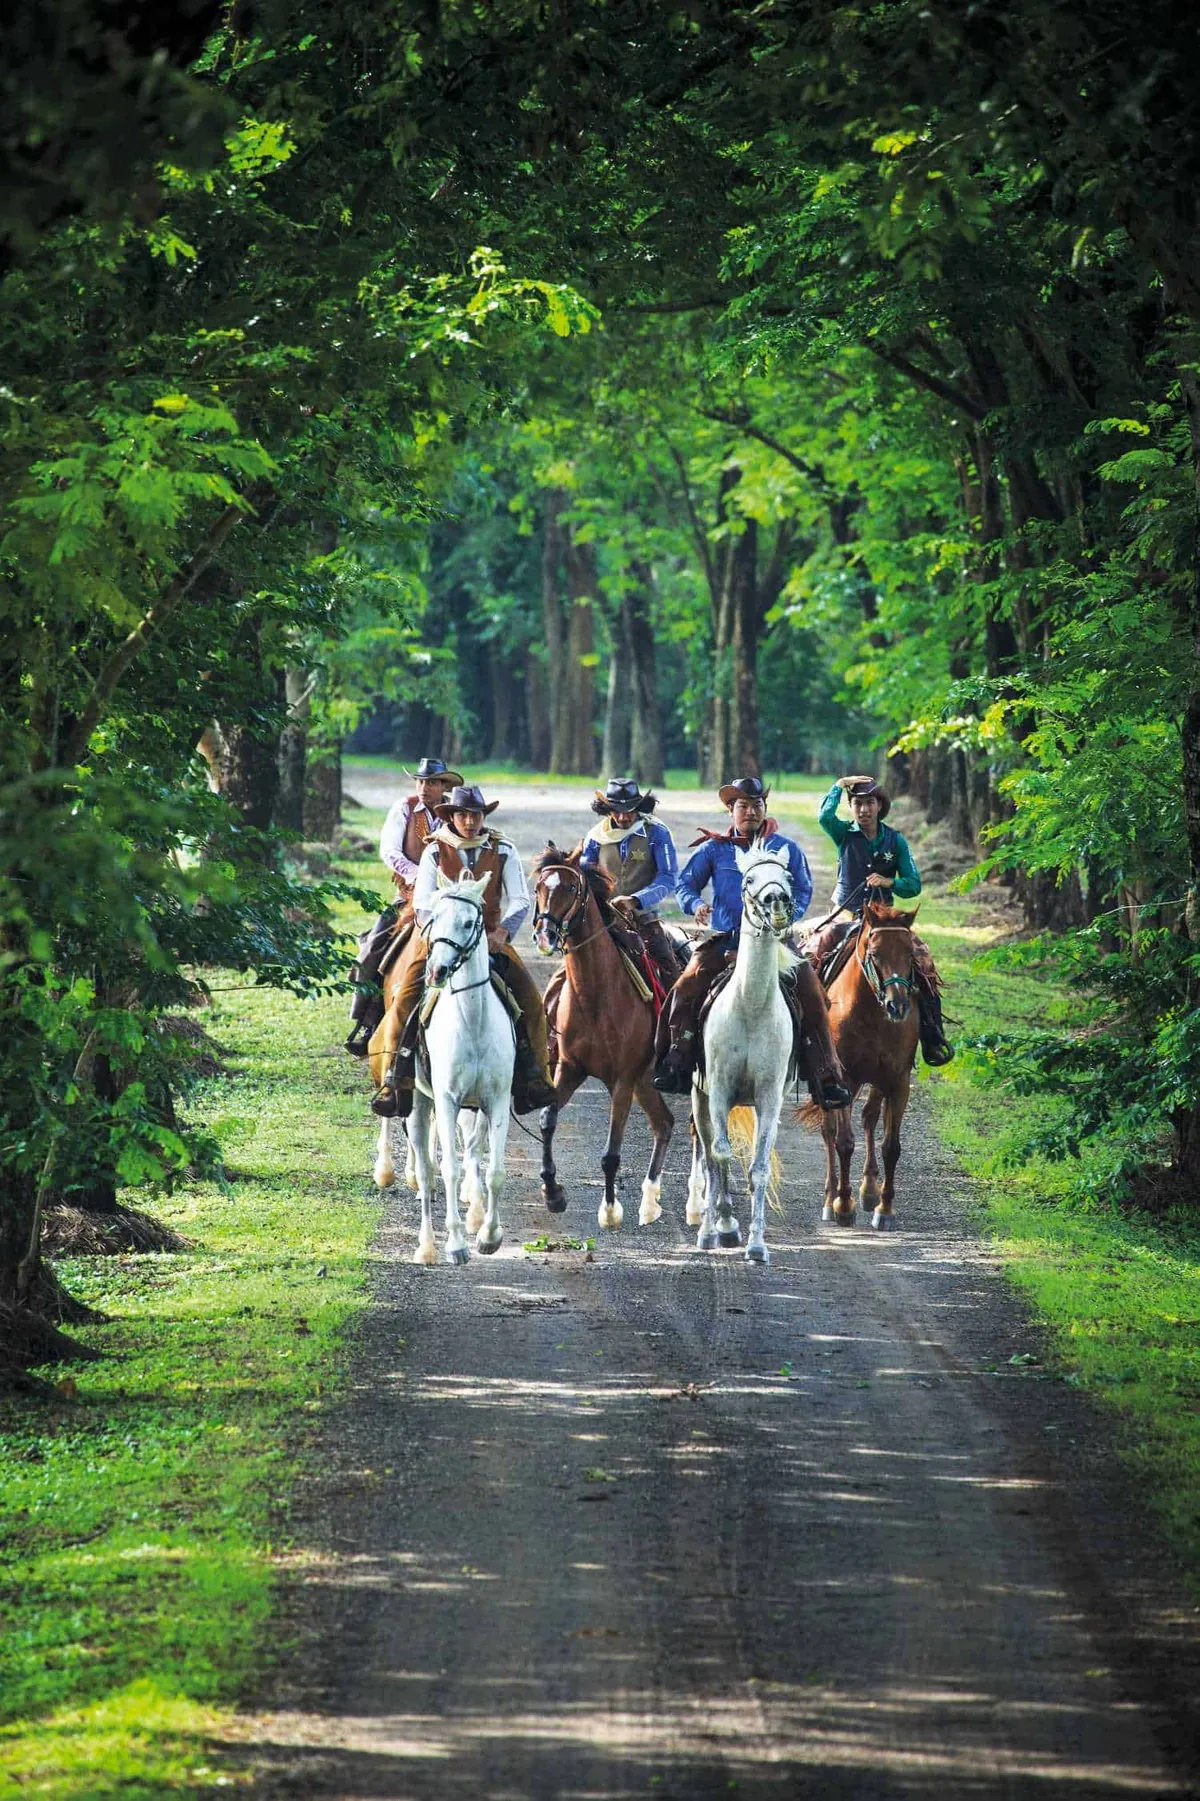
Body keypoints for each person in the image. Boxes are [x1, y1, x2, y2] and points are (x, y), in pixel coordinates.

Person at [652, 775, 851, 1106]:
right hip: (726, 941)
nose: (750, 812)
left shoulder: (786, 848)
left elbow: (803, 889)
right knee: (684, 989)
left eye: (756, 805)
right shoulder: (714, 849)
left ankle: (826, 1073)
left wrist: (788, 914)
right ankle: (675, 1059)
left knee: (814, 995)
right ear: (731, 811)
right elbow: (686, 884)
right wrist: (696, 904)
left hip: (776, 943)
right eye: (743, 806)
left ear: (764, 808)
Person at [369, 784, 556, 1117]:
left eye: (475, 815)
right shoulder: (435, 851)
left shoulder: (503, 850)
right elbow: (423, 902)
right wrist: (436, 934)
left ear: (483, 816)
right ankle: (392, 1077)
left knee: (531, 1000)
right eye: (463, 815)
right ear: (452, 816)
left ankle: (536, 1076)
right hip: (442, 941)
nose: (469, 821)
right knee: (403, 1001)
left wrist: (503, 931)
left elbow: (521, 899)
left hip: (490, 940)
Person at [806, 775, 953, 1067]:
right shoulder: (843, 833)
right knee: (810, 957)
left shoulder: (895, 840)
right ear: (851, 807)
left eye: (869, 803)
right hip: (846, 916)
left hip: (885, 922)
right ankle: (806, 1033)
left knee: (923, 962)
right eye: (857, 803)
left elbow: (913, 885)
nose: (863, 810)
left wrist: (888, 882)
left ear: (880, 806)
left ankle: (933, 1036)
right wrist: (839, 784)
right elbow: (824, 815)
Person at [344, 756, 461, 1056]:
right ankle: (368, 1022)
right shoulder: (404, 809)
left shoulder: (460, 814)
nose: (424, 788)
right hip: (408, 898)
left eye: (432, 782)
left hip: (452, 898)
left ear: (444, 785)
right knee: (372, 949)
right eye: (421, 781)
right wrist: (419, 876)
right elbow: (390, 852)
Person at [578, 777, 682, 987]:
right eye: (616, 810)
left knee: (671, 971)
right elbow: (584, 877)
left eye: (630, 810)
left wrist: (636, 900)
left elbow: (668, 877)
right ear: (607, 808)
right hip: (603, 922)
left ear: (639, 806)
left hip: (645, 920)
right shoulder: (595, 837)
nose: (623, 816)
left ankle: (675, 1018)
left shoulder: (657, 832)